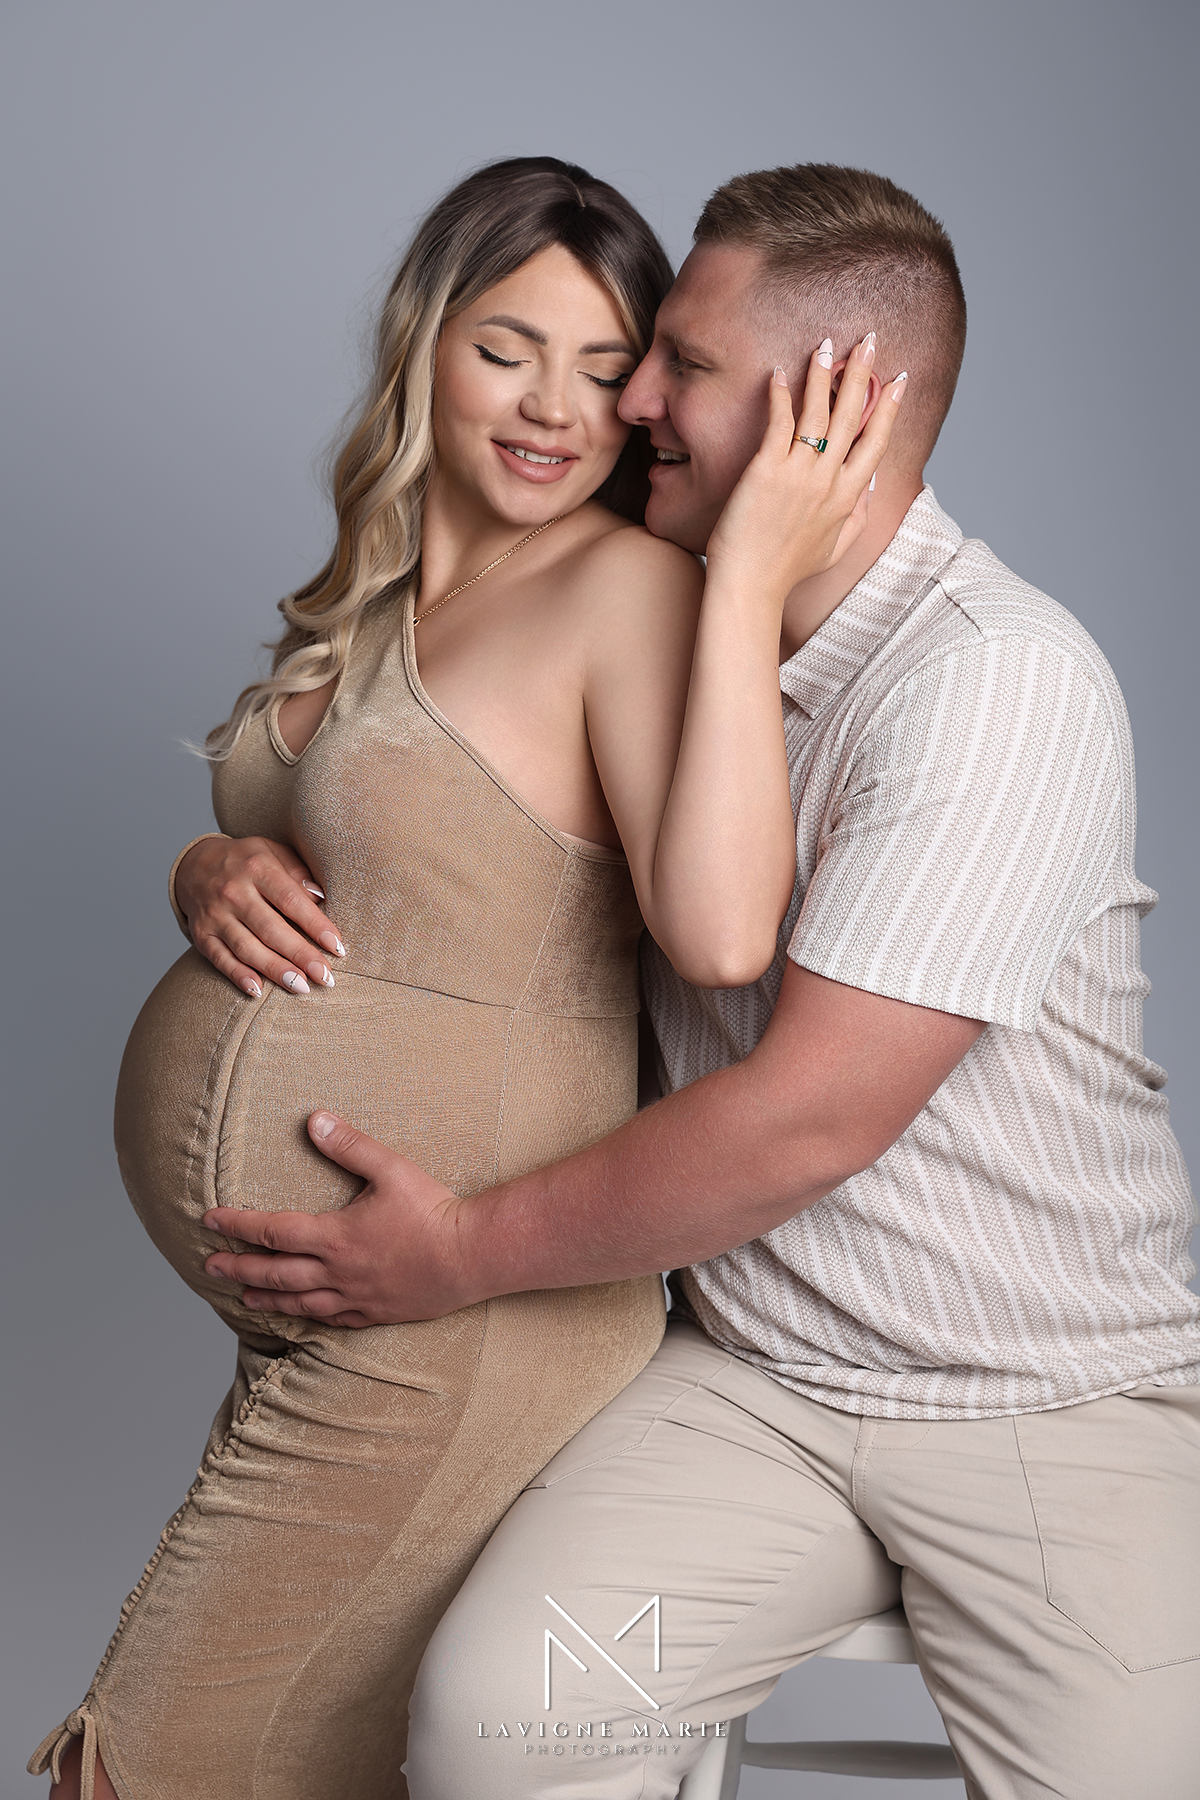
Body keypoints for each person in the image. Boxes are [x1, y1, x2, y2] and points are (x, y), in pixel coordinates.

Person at [192, 164, 1199, 1799]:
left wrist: (456, 1254)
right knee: (503, 1737)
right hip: (754, 1386)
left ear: (837, 411)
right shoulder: (631, 606)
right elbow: (390, 812)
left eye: (683, 369)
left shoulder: (996, 682)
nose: (631, 402)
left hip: (1042, 1405)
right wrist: (211, 860)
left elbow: (803, 1121)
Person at [30, 158, 898, 1800]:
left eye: (599, 365)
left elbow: (720, 935)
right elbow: (333, 834)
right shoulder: (373, 592)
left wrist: (748, 580)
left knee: (141, 1768)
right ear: (425, 341)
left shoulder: (624, 591)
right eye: (509, 348)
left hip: (464, 1326)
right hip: (335, 1321)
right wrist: (198, 868)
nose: (553, 409)